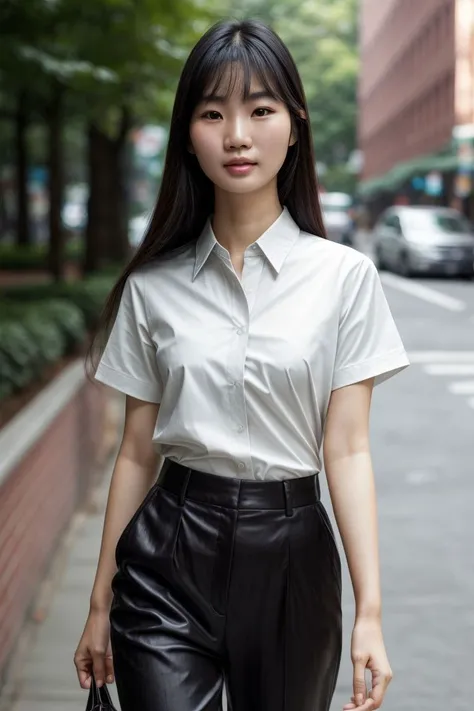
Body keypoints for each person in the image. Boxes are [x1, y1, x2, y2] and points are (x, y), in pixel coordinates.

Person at [73, 18, 409, 711]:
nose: (236, 134)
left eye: (260, 110)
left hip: (293, 553)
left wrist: (370, 609)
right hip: (169, 549)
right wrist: (100, 598)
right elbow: (137, 451)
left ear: (296, 124)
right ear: (187, 132)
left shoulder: (344, 278)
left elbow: (346, 448)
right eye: (212, 112)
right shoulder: (152, 288)